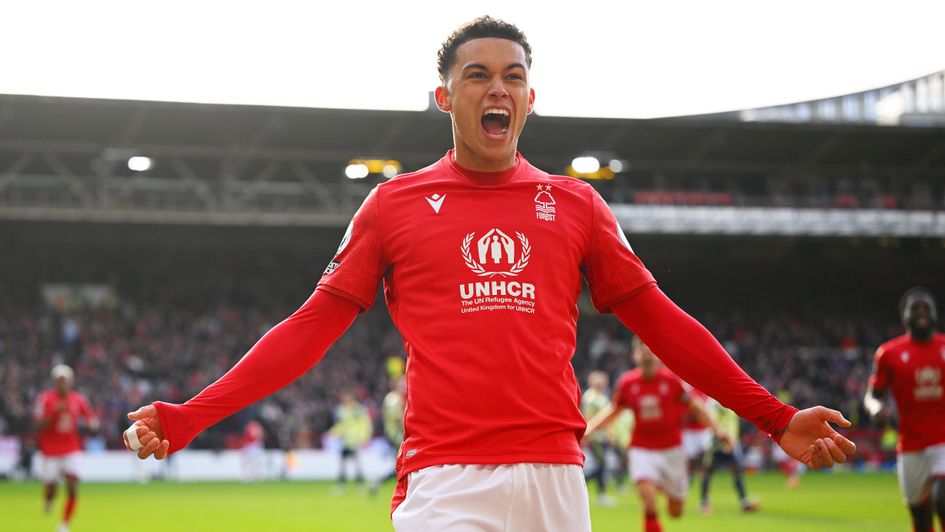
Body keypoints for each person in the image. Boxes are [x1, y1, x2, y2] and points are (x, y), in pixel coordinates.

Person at [122, 16, 855, 531]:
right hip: (445, 477)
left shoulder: (575, 204)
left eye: (513, 77)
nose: (495, 89)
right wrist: (192, 415)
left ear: (530, 98)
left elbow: (659, 320)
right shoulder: (392, 205)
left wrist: (772, 415)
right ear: (445, 97)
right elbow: (310, 329)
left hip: (555, 476)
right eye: (476, 76)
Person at [585, 338, 731, 532]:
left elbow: (697, 408)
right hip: (641, 449)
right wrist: (590, 428)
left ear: (659, 355)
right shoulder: (628, 383)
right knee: (649, 501)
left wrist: (719, 431)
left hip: (671, 450)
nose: (646, 353)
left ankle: (663, 485)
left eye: (651, 348)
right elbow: (614, 410)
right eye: (641, 349)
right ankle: (653, 493)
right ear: (635, 355)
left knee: (675, 511)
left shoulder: (672, 382)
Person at [865, 287, 945, 532]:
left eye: (926, 308)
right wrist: (876, 409)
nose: (921, 312)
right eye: (915, 308)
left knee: (943, 499)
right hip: (911, 446)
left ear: (935, 315)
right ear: (904, 317)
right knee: (921, 518)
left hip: (943, 441)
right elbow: (872, 396)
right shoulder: (889, 354)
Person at [34, 364, 99, 532]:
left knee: (72, 486)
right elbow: (38, 425)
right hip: (51, 450)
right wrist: (54, 413)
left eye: (65, 380)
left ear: (71, 382)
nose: (63, 384)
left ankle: (64, 524)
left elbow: (91, 419)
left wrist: (92, 425)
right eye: (59, 381)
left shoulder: (79, 399)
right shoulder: (45, 399)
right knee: (52, 490)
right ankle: (48, 500)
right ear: (54, 382)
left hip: (72, 448)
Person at [698, 401, 759, 514]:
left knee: (736, 471)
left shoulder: (731, 401)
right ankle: (704, 503)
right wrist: (720, 435)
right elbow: (710, 419)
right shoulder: (714, 403)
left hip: (731, 443)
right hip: (717, 442)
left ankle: (744, 502)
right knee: (708, 471)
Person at [581, 370, 617, 506]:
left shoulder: (600, 396)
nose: (602, 383)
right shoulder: (591, 397)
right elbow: (589, 416)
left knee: (602, 464)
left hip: (601, 435)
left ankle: (596, 490)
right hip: (595, 436)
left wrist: (609, 433)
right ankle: (599, 493)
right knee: (601, 464)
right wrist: (589, 432)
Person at [329, 391, 372, 491]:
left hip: (356, 439)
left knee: (357, 463)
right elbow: (341, 425)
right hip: (346, 440)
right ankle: (342, 484)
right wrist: (333, 432)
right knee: (343, 463)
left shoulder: (359, 410)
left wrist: (365, 436)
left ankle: (360, 484)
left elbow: (365, 423)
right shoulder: (341, 410)